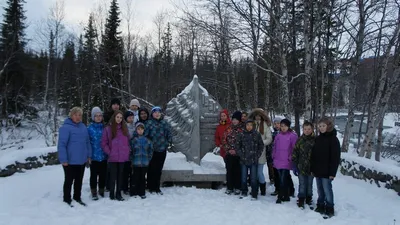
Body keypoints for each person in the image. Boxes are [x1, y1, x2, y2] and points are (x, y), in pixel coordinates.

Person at [58, 107, 91, 206]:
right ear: (71, 115)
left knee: (79, 180)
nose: (78, 117)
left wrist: (89, 155)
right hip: (70, 160)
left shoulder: (83, 127)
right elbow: (62, 144)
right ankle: (67, 199)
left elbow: (87, 142)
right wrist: (63, 159)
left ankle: (77, 197)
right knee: (69, 180)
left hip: (81, 160)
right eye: (76, 115)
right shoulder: (65, 128)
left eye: (80, 115)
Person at [311, 117, 341, 218]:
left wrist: (332, 173)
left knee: (327, 189)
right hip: (318, 170)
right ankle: (320, 205)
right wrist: (313, 169)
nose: (322, 128)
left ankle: (329, 207)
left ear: (328, 126)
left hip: (327, 171)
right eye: (320, 126)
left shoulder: (333, 139)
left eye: (323, 126)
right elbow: (314, 155)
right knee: (320, 190)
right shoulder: (318, 139)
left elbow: (335, 158)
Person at [101, 111, 130, 201]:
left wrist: (127, 151)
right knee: (113, 176)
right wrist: (109, 152)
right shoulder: (108, 129)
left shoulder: (124, 129)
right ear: (114, 117)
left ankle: (118, 193)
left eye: (121, 118)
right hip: (113, 157)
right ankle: (112, 193)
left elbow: (128, 142)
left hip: (122, 157)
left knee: (120, 176)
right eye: (117, 117)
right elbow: (104, 143)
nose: (119, 119)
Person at [145, 106, 172, 195]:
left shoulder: (164, 123)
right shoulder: (149, 123)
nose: (157, 114)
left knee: (158, 169)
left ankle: (157, 187)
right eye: (155, 112)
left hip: (162, 149)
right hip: (152, 150)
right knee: (151, 169)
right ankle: (150, 186)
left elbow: (169, 134)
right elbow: (145, 135)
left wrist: (168, 142)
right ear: (152, 114)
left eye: (159, 112)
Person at [236, 120, 264, 200]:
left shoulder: (257, 134)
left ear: (253, 126)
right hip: (244, 160)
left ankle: (254, 193)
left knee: (253, 178)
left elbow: (261, 146)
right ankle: (244, 191)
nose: (249, 127)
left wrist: (257, 155)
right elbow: (237, 146)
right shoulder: (241, 134)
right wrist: (241, 155)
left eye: (251, 125)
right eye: (247, 125)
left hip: (253, 160)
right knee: (243, 177)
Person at [273, 118, 298, 204]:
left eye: (285, 126)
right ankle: (286, 195)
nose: (283, 128)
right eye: (282, 126)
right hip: (278, 160)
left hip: (286, 161)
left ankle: (280, 196)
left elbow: (295, 148)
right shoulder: (278, 135)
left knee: (283, 179)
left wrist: (291, 157)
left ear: (288, 126)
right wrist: (274, 156)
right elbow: (274, 146)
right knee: (282, 178)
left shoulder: (292, 135)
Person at [248, 108, 273, 196]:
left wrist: (261, 143)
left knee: (259, 173)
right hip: (251, 152)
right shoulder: (251, 124)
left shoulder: (265, 125)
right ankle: (254, 188)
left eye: (259, 116)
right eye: (256, 115)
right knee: (253, 173)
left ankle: (263, 187)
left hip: (261, 152)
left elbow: (269, 138)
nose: (258, 117)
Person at [292, 121, 315, 208]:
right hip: (301, 166)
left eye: (309, 129)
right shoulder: (300, 140)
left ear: (312, 129)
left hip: (311, 167)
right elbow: (295, 152)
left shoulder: (315, 140)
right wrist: (294, 165)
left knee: (309, 184)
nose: (307, 131)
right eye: (305, 129)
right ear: (303, 130)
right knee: (302, 183)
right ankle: (301, 198)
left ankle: (309, 198)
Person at [87, 107, 107, 201]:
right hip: (94, 156)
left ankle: (101, 189)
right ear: (93, 117)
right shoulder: (89, 128)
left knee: (103, 175)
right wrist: (89, 155)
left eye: (100, 116)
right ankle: (94, 191)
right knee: (93, 175)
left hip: (104, 156)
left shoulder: (105, 127)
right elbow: (87, 143)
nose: (98, 117)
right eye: (96, 116)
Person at [222, 111, 244, 195]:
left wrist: (236, 150)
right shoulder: (228, 128)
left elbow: (244, 142)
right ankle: (229, 187)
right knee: (229, 170)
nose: (234, 121)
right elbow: (224, 140)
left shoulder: (242, 129)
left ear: (239, 120)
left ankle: (237, 187)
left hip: (238, 154)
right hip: (229, 153)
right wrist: (229, 149)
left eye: (236, 120)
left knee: (237, 171)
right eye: (233, 119)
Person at [130, 122, 153, 199]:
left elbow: (150, 150)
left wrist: (148, 158)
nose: (140, 130)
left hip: (144, 163)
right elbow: (131, 150)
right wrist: (132, 159)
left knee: (142, 177)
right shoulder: (133, 140)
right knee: (135, 177)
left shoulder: (147, 140)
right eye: (138, 129)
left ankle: (142, 192)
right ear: (136, 130)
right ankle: (133, 191)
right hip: (136, 163)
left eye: (142, 129)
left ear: (144, 130)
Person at [122, 111, 135, 195]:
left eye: (132, 117)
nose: (131, 119)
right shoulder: (123, 127)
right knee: (125, 171)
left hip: (133, 151)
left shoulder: (135, 126)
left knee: (132, 171)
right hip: (125, 151)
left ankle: (132, 186)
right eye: (129, 117)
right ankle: (124, 187)